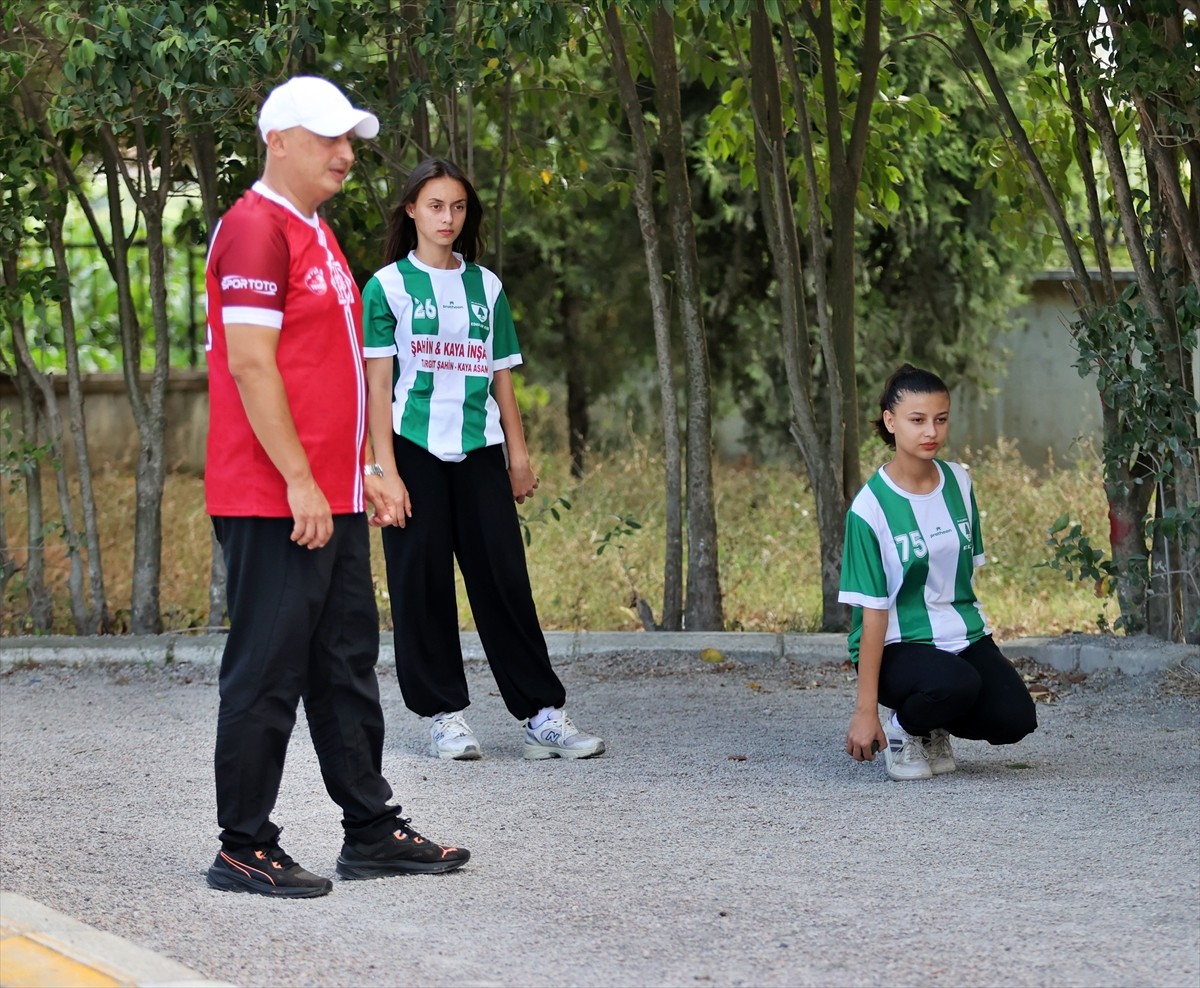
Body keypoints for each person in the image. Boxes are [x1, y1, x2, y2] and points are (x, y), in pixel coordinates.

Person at [203, 77, 469, 897]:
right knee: (268, 669)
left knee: (346, 661)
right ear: (277, 139)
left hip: (331, 496)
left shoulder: (314, 231)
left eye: (350, 139)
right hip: (273, 498)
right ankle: (242, 844)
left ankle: (370, 827)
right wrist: (298, 482)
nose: (345, 154)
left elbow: (335, 375)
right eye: (328, 139)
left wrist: (367, 467)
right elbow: (250, 365)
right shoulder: (253, 230)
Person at [361, 158, 605, 762]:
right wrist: (381, 470)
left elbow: (501, 380)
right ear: (412, 211)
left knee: (503, 579)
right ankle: (445, 716)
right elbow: (375, 387)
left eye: (458, 207)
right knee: (422, 585)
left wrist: (517, 455)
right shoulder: (386, 287)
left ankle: (543, 715)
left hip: (479, 450)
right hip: (412, 450)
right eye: (436, 206)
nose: (448, 218)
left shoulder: (487, 287)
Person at [839, 363, 1037, 781]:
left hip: (962, 637)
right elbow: (872, 614)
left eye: (940, 419)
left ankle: (931, 723)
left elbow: (962, 578)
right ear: (890, 422)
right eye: (917, 420)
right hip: (896, 644)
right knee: (955, 682)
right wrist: (865, 710)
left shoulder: (959, 482)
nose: (931, 431)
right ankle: (902, 730)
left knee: (1016, 718)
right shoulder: (869, 508)